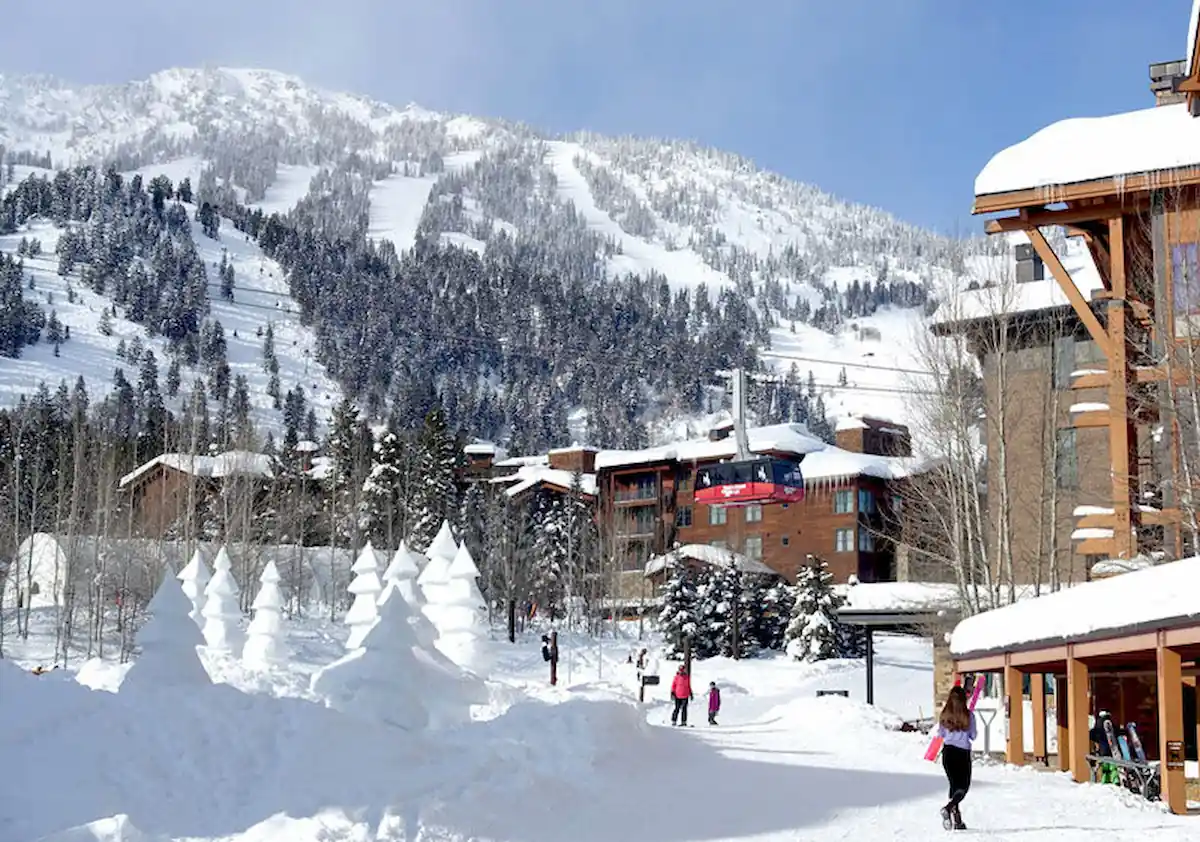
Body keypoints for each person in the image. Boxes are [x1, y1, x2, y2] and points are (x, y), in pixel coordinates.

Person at [936, 685, 976, 831]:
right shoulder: (969, 715)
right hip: (962, 753)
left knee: (954, 786)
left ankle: (957, 820)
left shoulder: (944, 715)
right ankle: (949, 808)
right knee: (963, 787)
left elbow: (940, 734)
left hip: (947, 753)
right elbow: (973, 736)